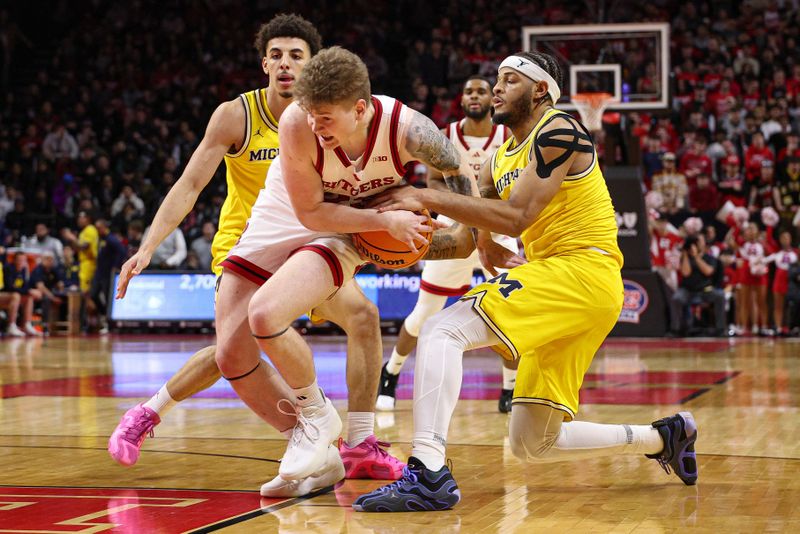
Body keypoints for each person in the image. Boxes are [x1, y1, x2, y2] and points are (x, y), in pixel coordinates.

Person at [354, 51, 698, 513]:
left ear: (540, 90)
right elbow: (464, 240)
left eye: (510, 80)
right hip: (569, 283)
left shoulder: (559, 129)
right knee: (532, 441)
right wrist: (374, 248)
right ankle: (663, 437)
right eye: (497, 78)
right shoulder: (498, 159)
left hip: (582, 270)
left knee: (442, 329)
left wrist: (421, 193)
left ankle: (427, 473)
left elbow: (515, 218)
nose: (496, 88)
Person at [108, 15, 404, 497]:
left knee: (364, 318)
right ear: (264, 61)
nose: (286, 64)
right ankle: (155, 412)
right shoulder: (235, 115)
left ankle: (359, 442)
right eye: (278, 55)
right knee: (232, 350)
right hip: (247, 246)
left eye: (297, 56)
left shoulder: (329, 116)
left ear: (314, 64)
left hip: (308, 242)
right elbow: (190, 184)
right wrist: (147, 248)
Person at [223, 46, 477, 485]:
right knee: (233, 349)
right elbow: (310, 213)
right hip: (296, 217)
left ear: (360, 109)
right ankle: (316, 418)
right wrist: (387, 222)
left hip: (343, 231)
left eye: (326, 118)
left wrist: (463, 237)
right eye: (310, 115)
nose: (316, 126)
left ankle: (354, 441)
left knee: (277, 315)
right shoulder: (297, 124)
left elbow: (460, 183)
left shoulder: (409, 130)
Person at [377, 75, 520, 413]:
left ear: (492, 98)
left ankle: (509, 390)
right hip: (456, 231)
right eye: (469, 91)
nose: (474, 95)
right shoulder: (446, 136)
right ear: (462, 99)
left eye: (481, 90)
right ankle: (391, 373)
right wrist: (467, 205)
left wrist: (482, 210)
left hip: (496, 231)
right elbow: (433, 181)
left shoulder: (508, 136)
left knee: (510, 313)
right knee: (424, 313)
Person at [669, 234, 726, 336]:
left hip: (705, 290)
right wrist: (685, 254)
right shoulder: (685, 257)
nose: (697, 244)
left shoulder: (709, 257)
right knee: (676, 298)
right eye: (696, 242)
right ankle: (675, 329)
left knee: (720, 296)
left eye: (699, 241)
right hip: (687, 290)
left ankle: (720, 329)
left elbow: (708, 271)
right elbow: (685, 273)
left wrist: (696, 257)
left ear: (704, 243)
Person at [2, 251, 42, 337]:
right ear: (15, 260)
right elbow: (9, 287)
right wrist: (28, 291)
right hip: (3, 294)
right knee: (16, 296)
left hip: (12, 297)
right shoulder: (8, 268)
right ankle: (11, 326)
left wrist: (27, 272)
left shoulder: (23, 270)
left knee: (29, 297)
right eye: (20, 260)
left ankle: (27, 325)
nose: (22, 262)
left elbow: (25, 287)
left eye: (24, 260)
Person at [30, 251, 66, 335]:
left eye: (51, 259)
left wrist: (61, 289)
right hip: (37, 295)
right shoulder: (38, 270)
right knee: (46, 299)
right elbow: (41, 287)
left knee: (64, 299)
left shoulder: (53, 270)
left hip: (50, 293)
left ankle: (61, 325)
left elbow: (60, 283)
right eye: (47, 259)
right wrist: (53, 298)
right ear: (42, 259)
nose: (50, 261)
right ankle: (44, 326)